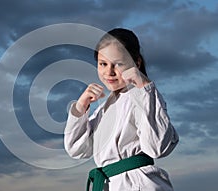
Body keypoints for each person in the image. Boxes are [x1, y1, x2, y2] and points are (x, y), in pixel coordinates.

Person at [64, 28, 179, 191]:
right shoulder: (104, 107)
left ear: (136, 62)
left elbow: (157, 147)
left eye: (118, 64)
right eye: (103, 64)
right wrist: (80, 108)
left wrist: (145, 89)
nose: (109, 72)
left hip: (137, 184)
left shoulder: (143, 97)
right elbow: (78, 150)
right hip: (110, 184)